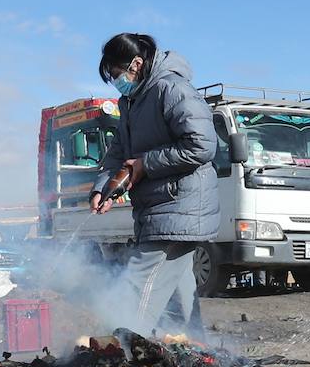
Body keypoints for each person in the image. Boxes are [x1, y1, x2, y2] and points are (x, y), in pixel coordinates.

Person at [89, 33, 218, 333]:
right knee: (178, 299)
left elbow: (202, 145)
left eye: (116, 74)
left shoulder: (171, 88)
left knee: (138, 287)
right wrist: (103, 188)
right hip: (157, 208)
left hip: (180, 206)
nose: (116, 81)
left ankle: (120, 357)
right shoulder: (130, 101)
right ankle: (192, 355)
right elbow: (119, 150)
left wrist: (147, 164)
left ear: (136, 64)